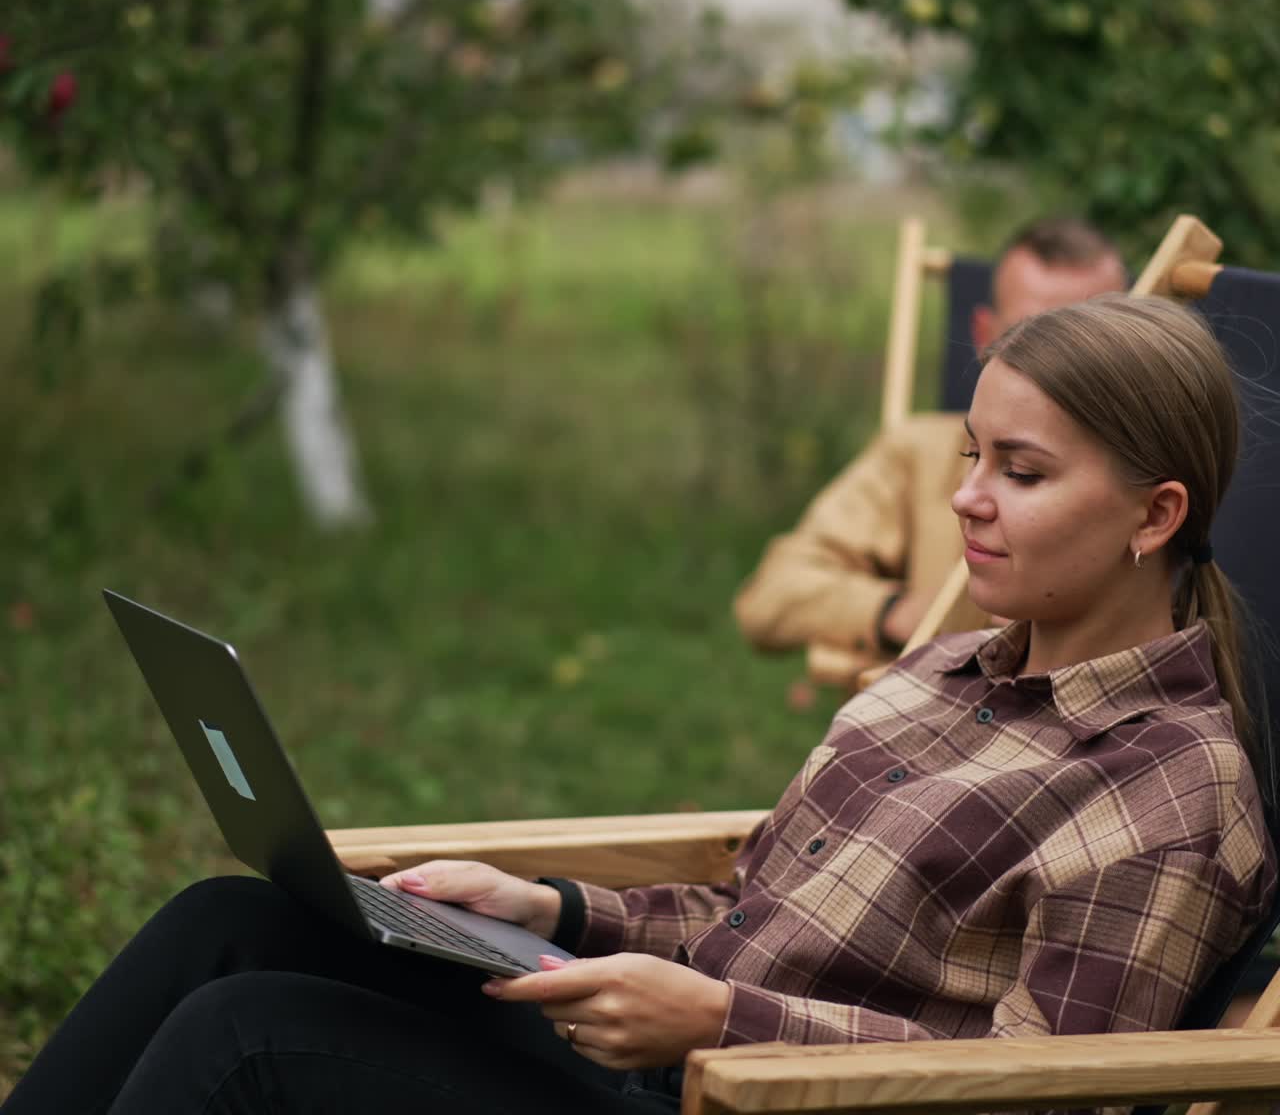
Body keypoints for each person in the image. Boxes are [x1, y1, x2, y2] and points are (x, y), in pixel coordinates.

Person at [6, 295, 1275, 1115]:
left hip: (758, 1103)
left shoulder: (1169, 789)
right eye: (969, 455)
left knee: (249, 1037)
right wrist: (549, 908)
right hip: (671, 1052)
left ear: (1153, 514)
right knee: (229, 920)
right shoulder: (948, 671)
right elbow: (754, 909)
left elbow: (1054, 1091)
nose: (963, 499)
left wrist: (726, 1023)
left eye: (1021, 470)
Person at [734, 217, 1128, 691]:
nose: (1062, 369)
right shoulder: (919, 451)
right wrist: (900, 613)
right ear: (985, 335)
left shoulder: (1145, 479)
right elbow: (772, 593)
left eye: (1091, 343)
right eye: (1034, 338)